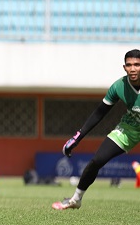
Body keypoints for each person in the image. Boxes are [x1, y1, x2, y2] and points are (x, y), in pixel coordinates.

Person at [53, 49, 140, 210]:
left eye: (137, 65)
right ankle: (75, 200)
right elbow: (99, 113)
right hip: (129, 128)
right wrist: (78, 137)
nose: (133, 69)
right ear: (124, 67)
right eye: (129, 65)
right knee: (96, 161)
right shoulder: (119, 86)